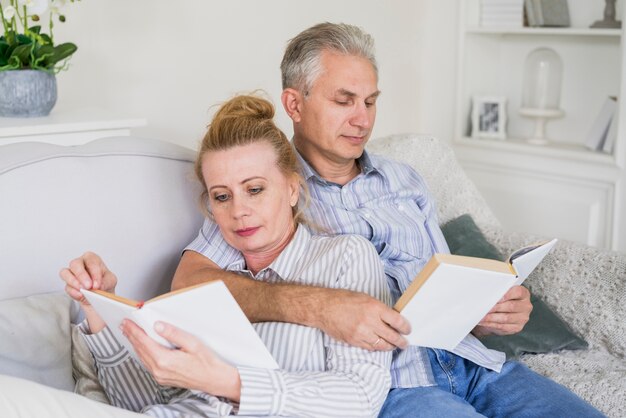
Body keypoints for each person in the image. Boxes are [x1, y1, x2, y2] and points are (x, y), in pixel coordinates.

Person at [66, 23, 604, 417]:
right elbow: (192, 282)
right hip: (398, 382)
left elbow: (444, 272)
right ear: (294, 104)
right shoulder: (266, 189)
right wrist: (323, 306)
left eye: (370, 101)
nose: (363, 118)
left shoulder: (404, 180)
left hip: (472, 360)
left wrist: (489, 308)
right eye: (345, 100)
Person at [61, 95, 392, 417]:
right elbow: (138, 400)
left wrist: (232, 383)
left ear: (292, 189)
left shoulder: (344, 258)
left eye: (255, 189)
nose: (239, 211)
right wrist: (98, 308)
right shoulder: (207, 283)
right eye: (222, 196)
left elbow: (362, 398)